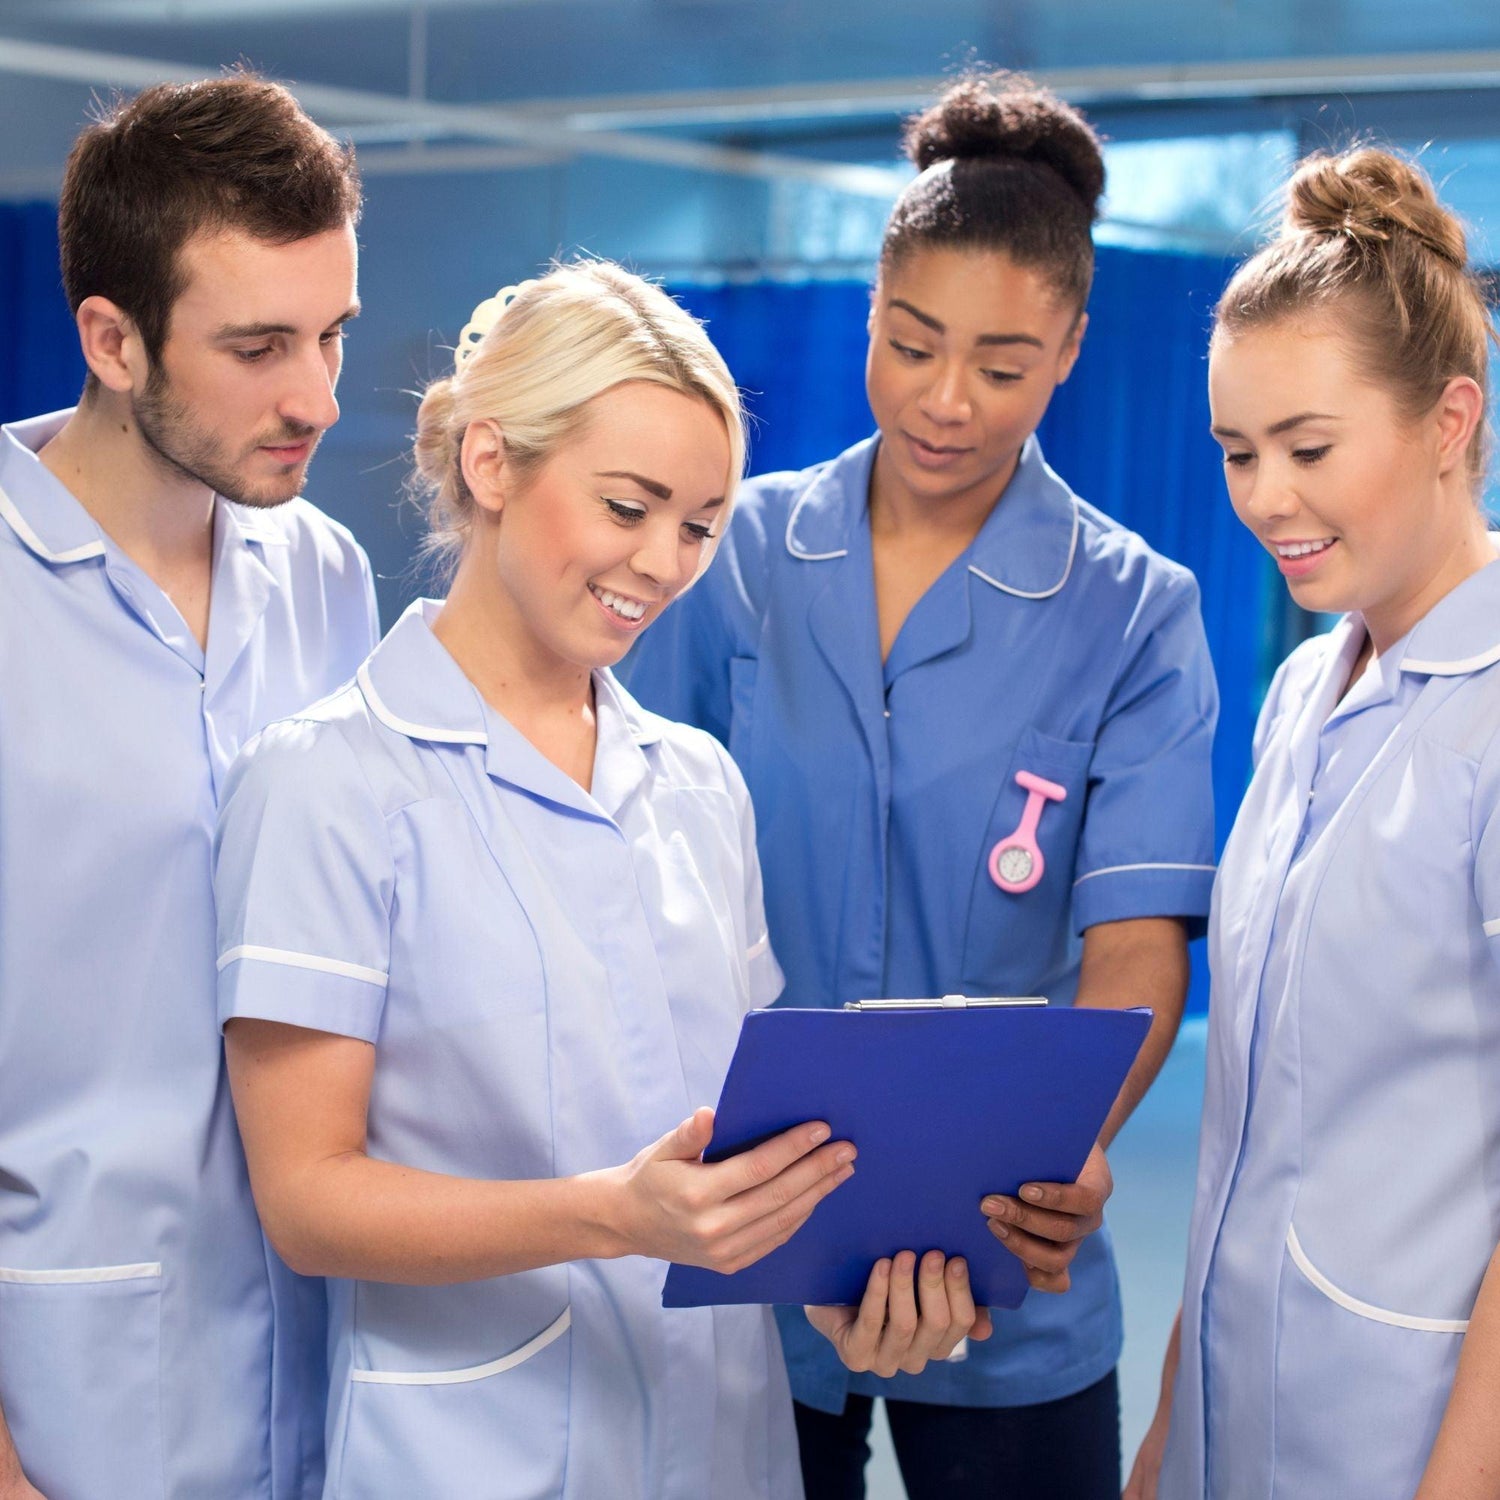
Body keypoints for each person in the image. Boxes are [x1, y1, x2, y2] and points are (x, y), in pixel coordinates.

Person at [211, 260, 989, 1500]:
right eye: (627, 506)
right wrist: (615, 1217)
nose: (663, 563)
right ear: (491, 465)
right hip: (470, 1455)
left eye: (697, 524)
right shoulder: (326, 784)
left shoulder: (697, 785)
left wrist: (849, 1291)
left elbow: (742, 1144)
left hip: (726, 1445)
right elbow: (307, 1199)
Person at [622, 72, 1218, 1500]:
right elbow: (630, 879)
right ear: (873, 315)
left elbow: (1133, 954)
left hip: (1010, 1247)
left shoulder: (1133, 610)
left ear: (1072, 347)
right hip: (749, 1234)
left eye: (1004, 365)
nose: (947, 402)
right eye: (910, 345)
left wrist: (1030, 1178)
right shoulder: (735, 560)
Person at [0, 77, 375, 1500]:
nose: (318, 398)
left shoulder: (324, 574)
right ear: (113, 340)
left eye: (331, 333)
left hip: (317, 1378)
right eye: (261, 346)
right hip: (69, 1396)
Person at [1126, 147, 1500, 1500]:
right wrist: (1172, 1436)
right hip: (1237, 1429)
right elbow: (1242, 1143)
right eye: (1236, 451)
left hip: (1411, 1446)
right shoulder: (1297, 691)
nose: (1265, 497)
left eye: (1308, 449)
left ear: (1451, 421)